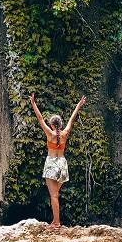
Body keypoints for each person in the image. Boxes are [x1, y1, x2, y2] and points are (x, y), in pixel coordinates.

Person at [29, 93, 87, 227]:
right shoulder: (65, 133)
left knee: (53, 195)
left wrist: (33, 103)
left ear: (51, 124)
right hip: (62, 164)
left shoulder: (50, 134)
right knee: (55, 194)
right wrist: (78, 105)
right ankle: (56, 221)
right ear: (60, 124)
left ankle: (56, 222)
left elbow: (39, 118)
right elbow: (72, 118)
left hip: (52, 164)